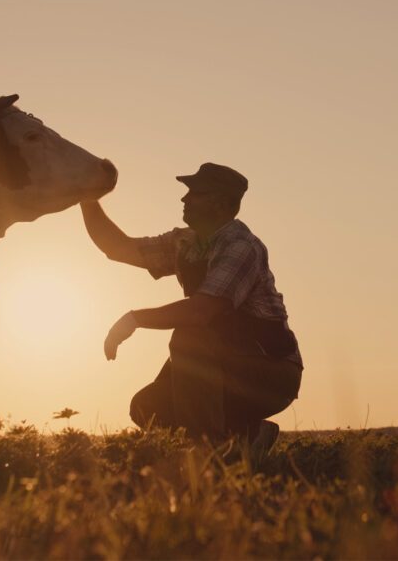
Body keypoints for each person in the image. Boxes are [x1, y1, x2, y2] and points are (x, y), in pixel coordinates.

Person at [80, 163, 302, 447]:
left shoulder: (241, 246)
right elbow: (117, 247)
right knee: (147, 407)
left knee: (189, 337)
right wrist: (86, 197)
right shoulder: (185, 242)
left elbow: (201, 311)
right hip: (221, 358)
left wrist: (134, 318)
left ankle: (206, 452)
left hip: (271, 374)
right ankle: (248, 436)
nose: (184, 199)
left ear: (220, 204)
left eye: (195, 193)